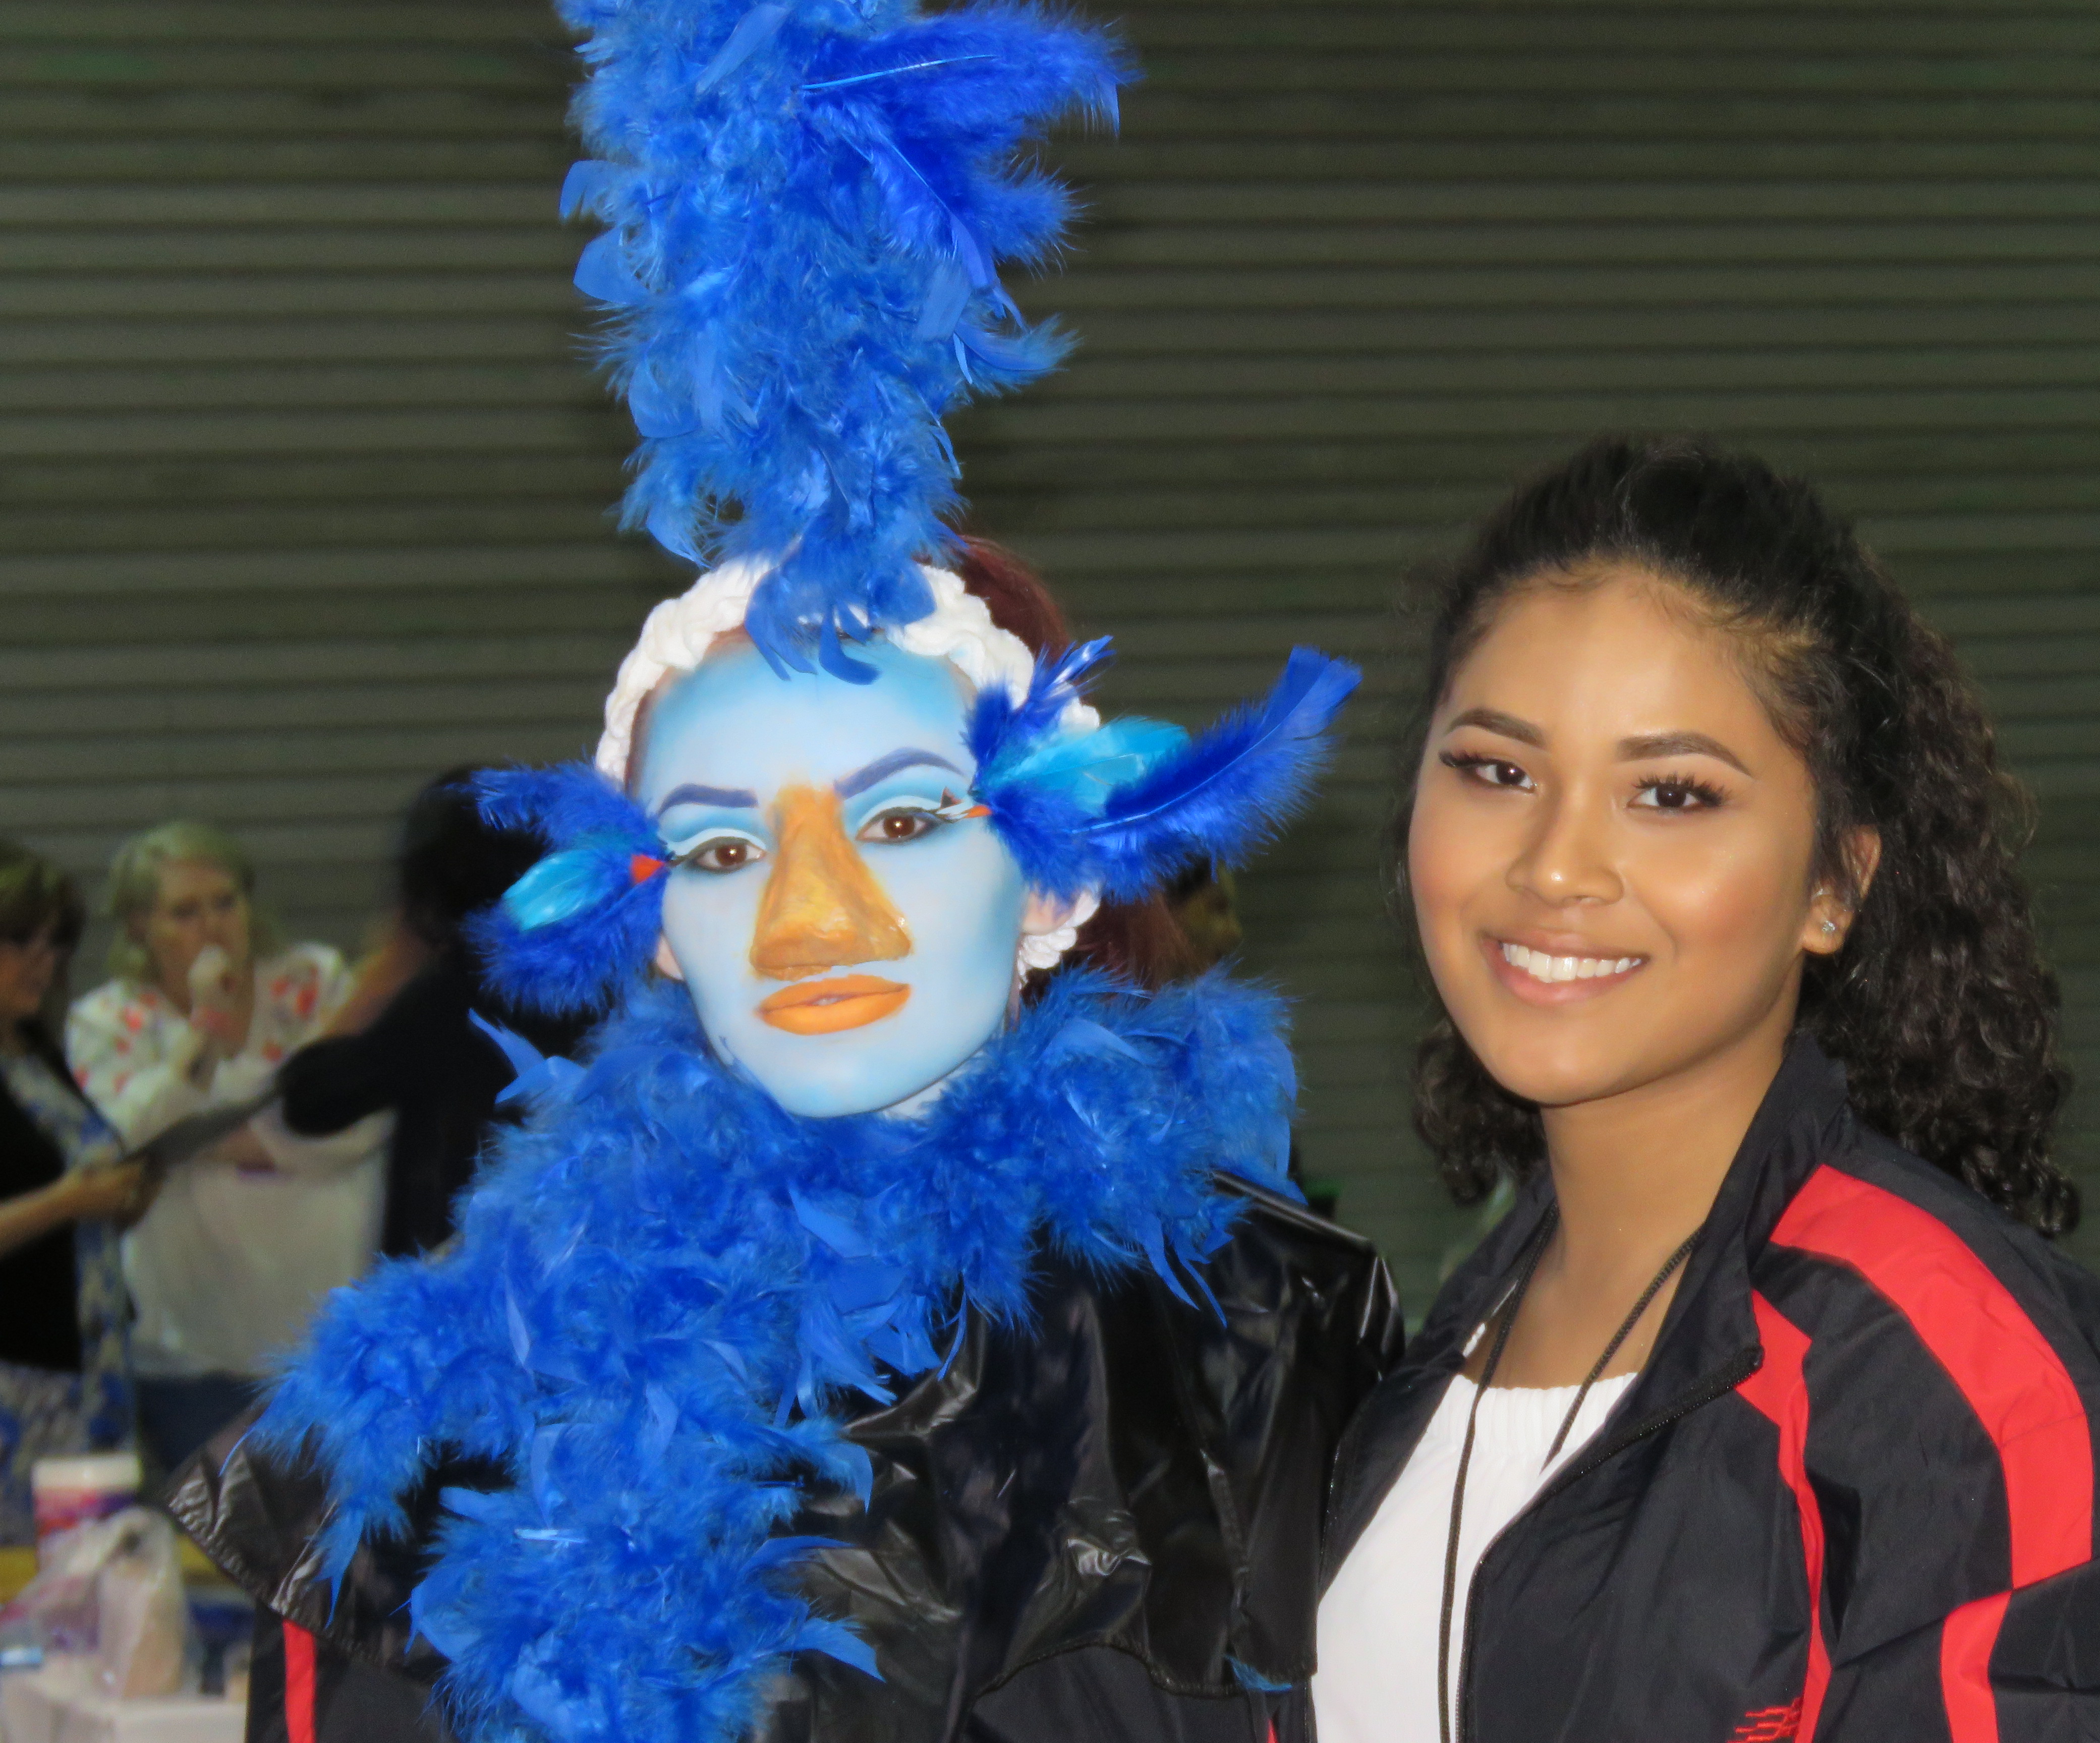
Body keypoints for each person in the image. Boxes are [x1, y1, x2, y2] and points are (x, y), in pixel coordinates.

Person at [167, 7, 1399, 1742]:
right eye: (728, 847)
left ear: (1046, 878)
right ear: (650, 925)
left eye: (897, 820)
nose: (814, 913)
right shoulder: (458, 1395)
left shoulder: (1257, 1333)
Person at [1311, 437, 2100, 1741]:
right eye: (1498, 771)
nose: (1557, 865)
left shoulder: (1966, 1398)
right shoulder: (1409, 1358)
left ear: (1836, 885)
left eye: (1672, 794)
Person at [67, 821, 387, 1475]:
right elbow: (125, 1139)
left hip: (328, 1333)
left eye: (225, 902)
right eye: (185, 912)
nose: (213, 926)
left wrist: (205, 1141)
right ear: (138, 927)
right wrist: (203, 1032)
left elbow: (364, 1120)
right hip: (191, 1348)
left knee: (340, 1558)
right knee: (236, 1548)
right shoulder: (107, 1019)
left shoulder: (315, 981)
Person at [275, 770, 592, 1258]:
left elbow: (310, 1100)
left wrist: (385, 972)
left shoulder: (448, 1000)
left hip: (458, 1278)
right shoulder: (594, 987)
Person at [0, 842, 150, 1543]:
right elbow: (54, 1200)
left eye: (57, 940)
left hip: (88, 1361)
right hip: (19, 1382)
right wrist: (67, 1201)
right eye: (19, 940)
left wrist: (121, 1197)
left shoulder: (33, 1050)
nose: (46, 959)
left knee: (92, 1574)